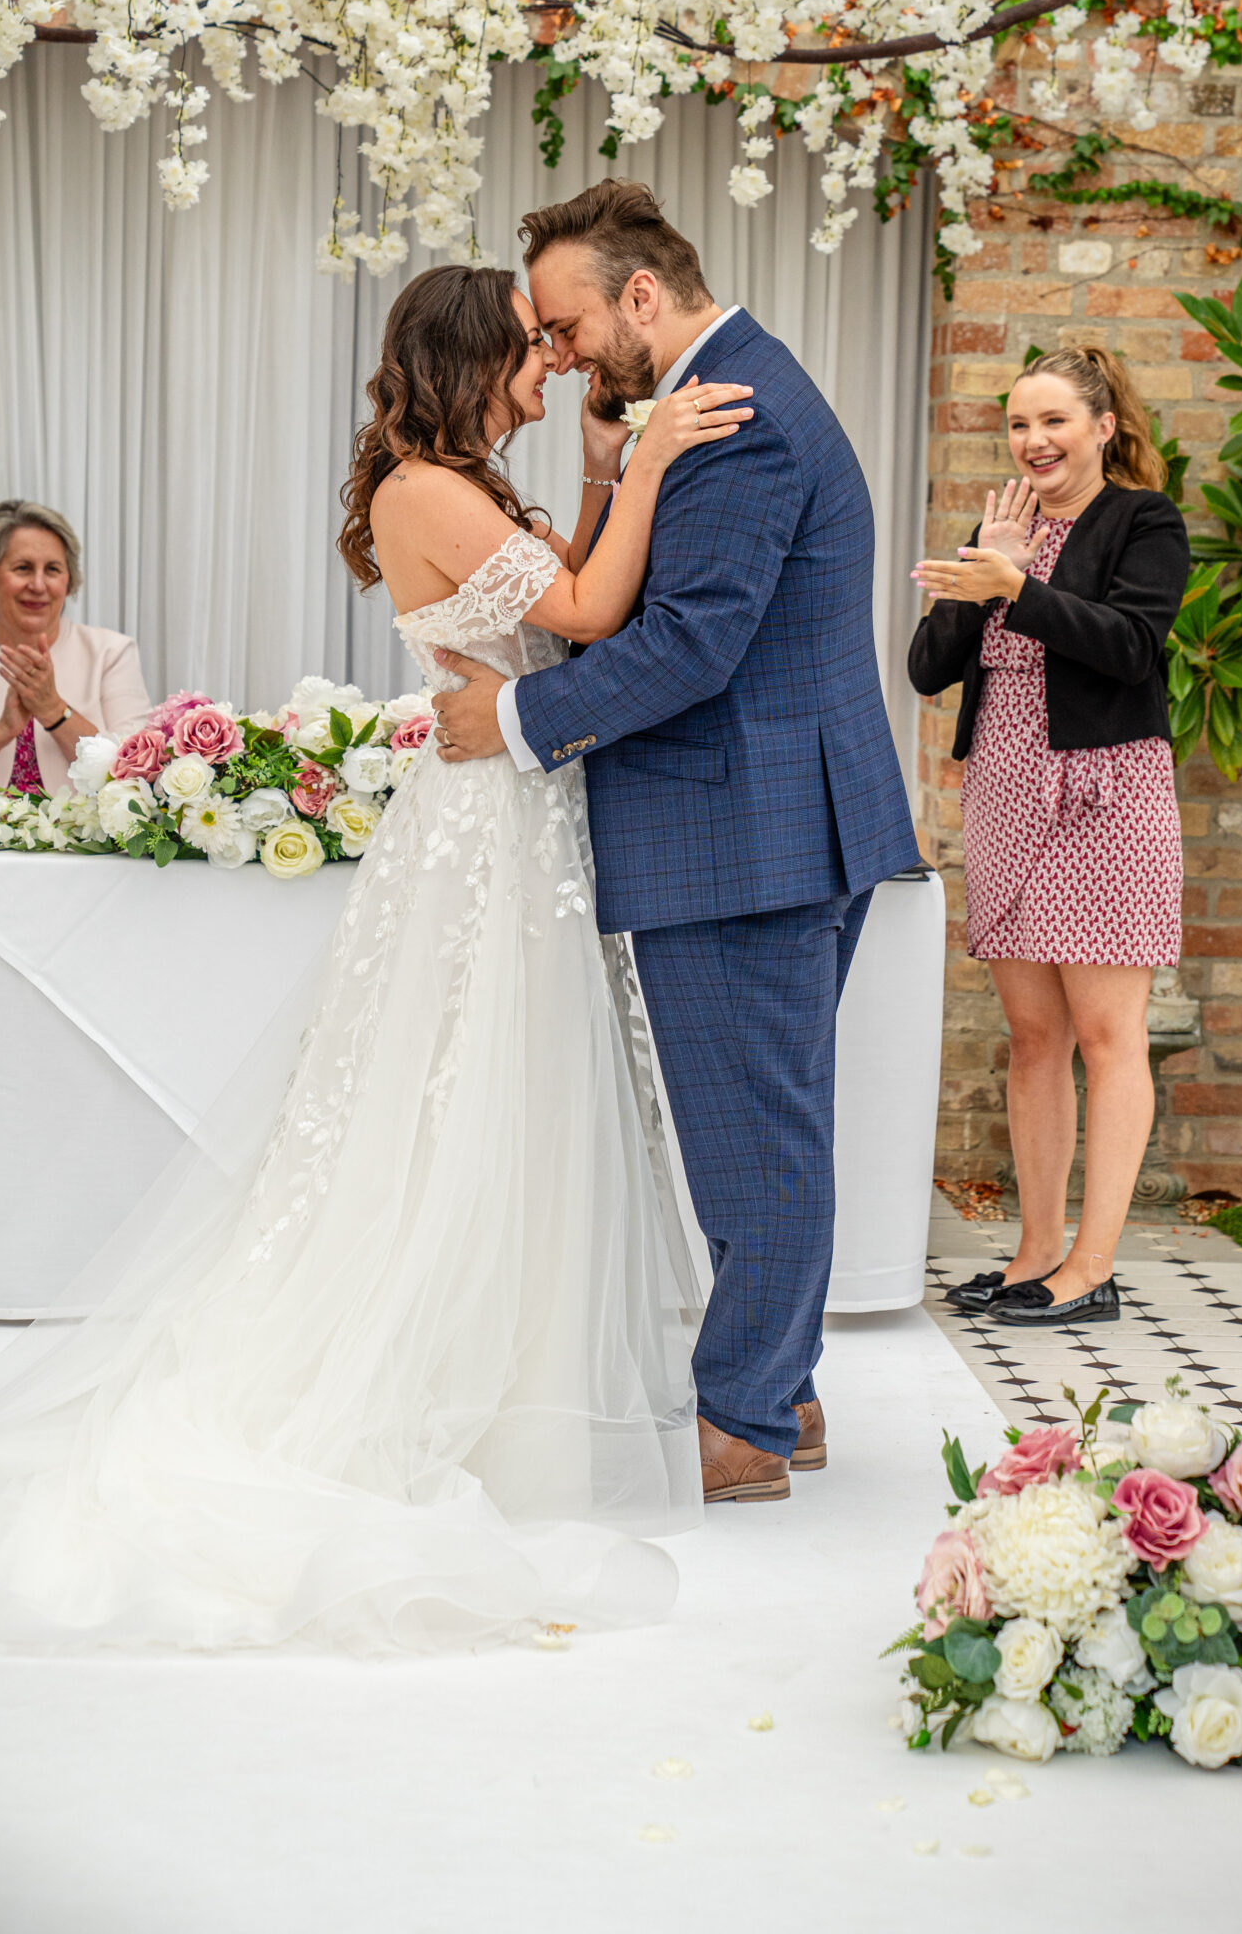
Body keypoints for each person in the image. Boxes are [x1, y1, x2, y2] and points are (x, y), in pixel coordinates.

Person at [0, 261, 755, 1651]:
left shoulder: (468, 481)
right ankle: (422, 1382)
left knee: (512, 1101)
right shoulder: (419, 487)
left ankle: (516, 1391)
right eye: (527, 348)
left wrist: (591, 473)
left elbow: (576, 598)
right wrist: (640, 468)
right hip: (482, 833)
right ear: (464, 359)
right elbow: (580, 619)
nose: (550, 362)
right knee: (448, 1101)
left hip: (521, 810)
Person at [430, 182, 922, 1506]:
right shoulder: (705, 401)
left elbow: (688, 645)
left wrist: (516, 715)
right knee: (769, 1122)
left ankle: (747, 1420)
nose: (559, 352)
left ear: (639, 295)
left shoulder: (736, 422)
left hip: (746, 826)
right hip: (765, 817)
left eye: (568, 322)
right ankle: (785, 1392)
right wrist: (612, 464)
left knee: (753, 1135)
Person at [906, 338, 1190, 1328]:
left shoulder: (1143, 521)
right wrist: (981, 573)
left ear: (1104, 427)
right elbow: (926, 668)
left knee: (1111, 1037)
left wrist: (1018, 588)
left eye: (1054, 420)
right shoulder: (1000, 526)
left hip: (1107, 796)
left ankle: (1092, 1268)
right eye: (1019, 423)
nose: (1032, 440)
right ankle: (1035, 1253)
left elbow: (1131, 647)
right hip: (1006, 791)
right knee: (1033, 1038)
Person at [0, 498, 150, 791]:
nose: (39, 585)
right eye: (23, 568)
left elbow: (138, 771)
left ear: (68, 582)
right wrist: (1, 731)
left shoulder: (111, 653)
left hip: (83, 836)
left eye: (52, 569)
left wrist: (53, 710)